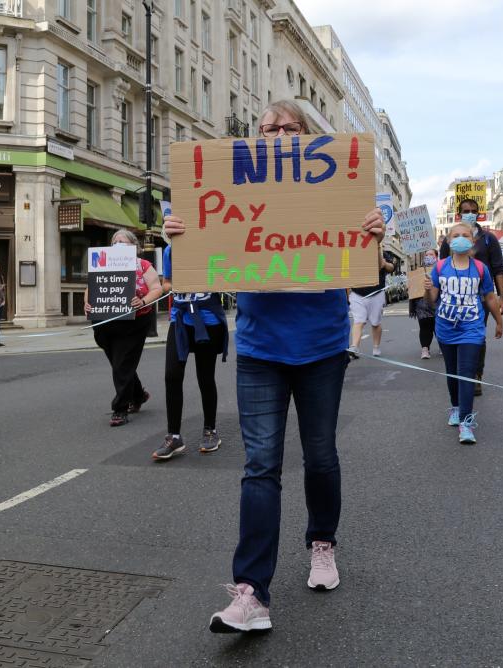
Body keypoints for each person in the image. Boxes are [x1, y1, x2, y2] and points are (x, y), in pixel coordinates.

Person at [164, 100, 385, 634]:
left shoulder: (340, 193)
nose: (279, 136)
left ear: (310, 136)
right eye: (269, 130)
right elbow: (195, 268)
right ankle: (250, 593)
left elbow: (366, 281)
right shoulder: (234, 189)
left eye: (291, 129)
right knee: (260, 465)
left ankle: (322, 543)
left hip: (322, 348)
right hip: (261, 349)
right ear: (256, 138)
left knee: (320, 456)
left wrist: (373, 236)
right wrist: (180, 238)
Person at [426, 223, 503, 445]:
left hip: (472, 328)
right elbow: (431, 300)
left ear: (472, 240)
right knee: (452, 373)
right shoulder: (440, 267)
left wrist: (499, 321)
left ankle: (466, 423)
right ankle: (456, 408)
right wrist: (426, 288)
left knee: (466, 373)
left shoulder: (480, 268)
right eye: (456, 236)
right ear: (449, 241)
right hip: (445, 328)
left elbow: (489, 296)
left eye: (465, 235)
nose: (461, 239)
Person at [152, 243, 229, 460]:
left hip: (208, 320)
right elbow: (167, 283)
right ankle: (174, 437)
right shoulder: (171, 250)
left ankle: (210, 430)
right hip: (180, 319)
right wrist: (174, 286)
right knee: (172, 376)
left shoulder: (212, 246)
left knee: (205, 377)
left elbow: (226, 277)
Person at [84, 229, 164, 427]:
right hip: (105, 322)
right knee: (120, 364)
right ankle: (138, 395)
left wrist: (143, 300)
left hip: (134, 323)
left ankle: (120, 408)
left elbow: (157, 288)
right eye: (115, 242)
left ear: (134, 247)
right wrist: (87, 303)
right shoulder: (101, 263)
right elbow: (91, 288)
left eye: (123, 242)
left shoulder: (143, 266)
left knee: (122, 364)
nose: (118, 245)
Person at [440, 199, 503, 395]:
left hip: (481, 298)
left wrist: (502, 296)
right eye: (466, 211)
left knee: (477, 335)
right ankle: (459, 374)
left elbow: (498, 269)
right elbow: (441, 267)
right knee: (456, 335)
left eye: (473, 211)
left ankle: (476, 375)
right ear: (459, 214)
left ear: (479, 213)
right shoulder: (448, 240)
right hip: (454, 297)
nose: (470, 214)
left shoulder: (488, 239)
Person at [348, 250, 396, 358]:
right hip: (357, 293)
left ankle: (376, 346)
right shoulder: (353, 250)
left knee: (375, 322)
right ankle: (354, 346)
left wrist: (384, 263)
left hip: (376, 292)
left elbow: (391, 268)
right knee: (359, 320)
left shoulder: (382, 252)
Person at [411, 249, 438, 359]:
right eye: (426, 255)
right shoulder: (418, 271)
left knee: (438, 326)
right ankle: (425, 349)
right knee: (424, 326)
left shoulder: (442, 269)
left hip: (437, 303)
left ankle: (443, 345)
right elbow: (414, 286)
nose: (428, 256)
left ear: (436, 256)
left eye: (431, 254)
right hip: (422, 304)